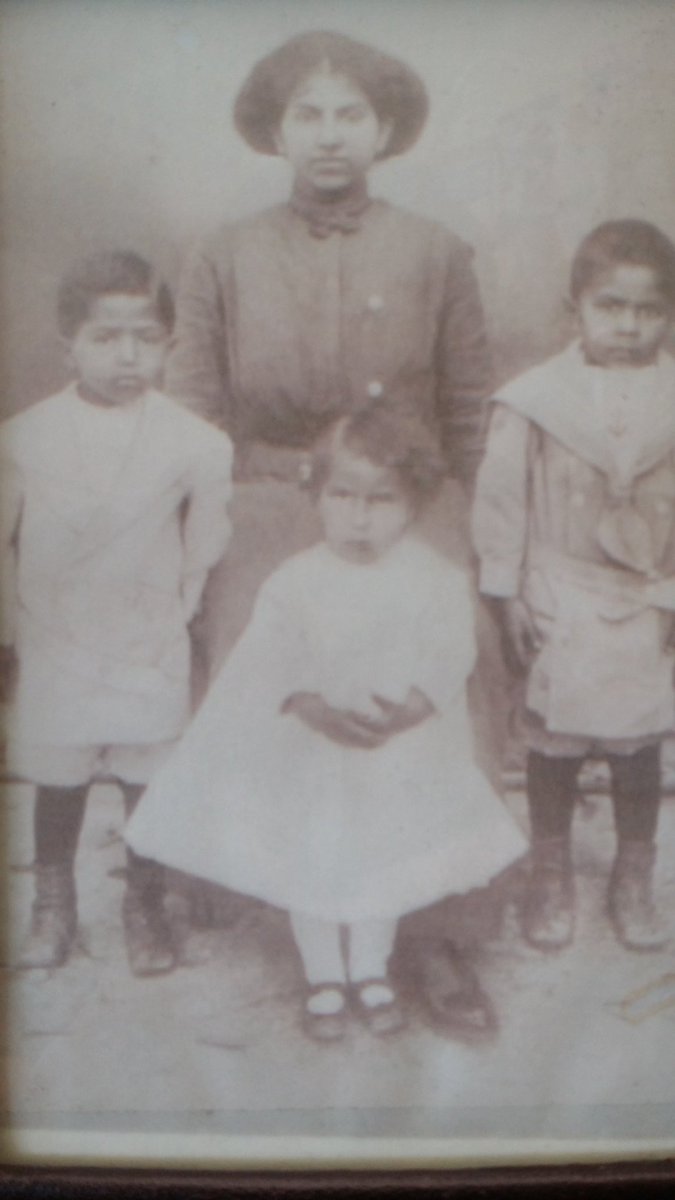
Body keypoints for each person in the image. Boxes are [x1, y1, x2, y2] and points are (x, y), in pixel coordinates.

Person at [164, 31, 510, 1018]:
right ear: (277, 132)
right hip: (271, 494)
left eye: (350, 114)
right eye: (307, 115)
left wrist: (472, 538)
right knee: (255, 650)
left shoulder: (437, 253)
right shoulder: (224, 255)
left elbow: (469, 407)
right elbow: (193, 417)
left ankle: (441, 929)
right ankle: (296, 914)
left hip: (407, 498)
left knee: (462, 656)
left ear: (384, 129)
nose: (329, 136)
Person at [127, 407, 527, 1042]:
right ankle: (323, 977)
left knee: (382, 859)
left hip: (397, 751)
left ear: (415, 503)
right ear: (316, 495)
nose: (359, 517)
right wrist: (308, 703)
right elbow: (271, 657)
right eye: (342, 496)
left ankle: (370, 970)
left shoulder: (434, 578)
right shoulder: (297, 580)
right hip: (316, 753)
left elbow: (449, 650)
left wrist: (417, 706)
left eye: (381, 499)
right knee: (313, 860)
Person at [0, 250, 233, 975]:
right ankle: (54, 903)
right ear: (67, 344)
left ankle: (146, 903)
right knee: (60, 774)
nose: (127, 356)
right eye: (105, 338)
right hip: (57, 633)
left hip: (144, 635)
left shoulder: (194, 442)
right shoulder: (23, 437)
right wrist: (13, 632)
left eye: (145, 338)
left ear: (169, 344)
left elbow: (204, 542)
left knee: (145, 774)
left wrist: (180, 612)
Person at [473, 218, 675, 954]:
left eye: (648, 309)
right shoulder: (533, 399)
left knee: (636, 744)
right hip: (560, 590)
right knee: (554, 743)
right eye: (609, 307)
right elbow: (500, 501)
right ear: (575, 310)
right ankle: (549, 868)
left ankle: (632, 872)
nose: (628, 325)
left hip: (649, 597)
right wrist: (506, 592)